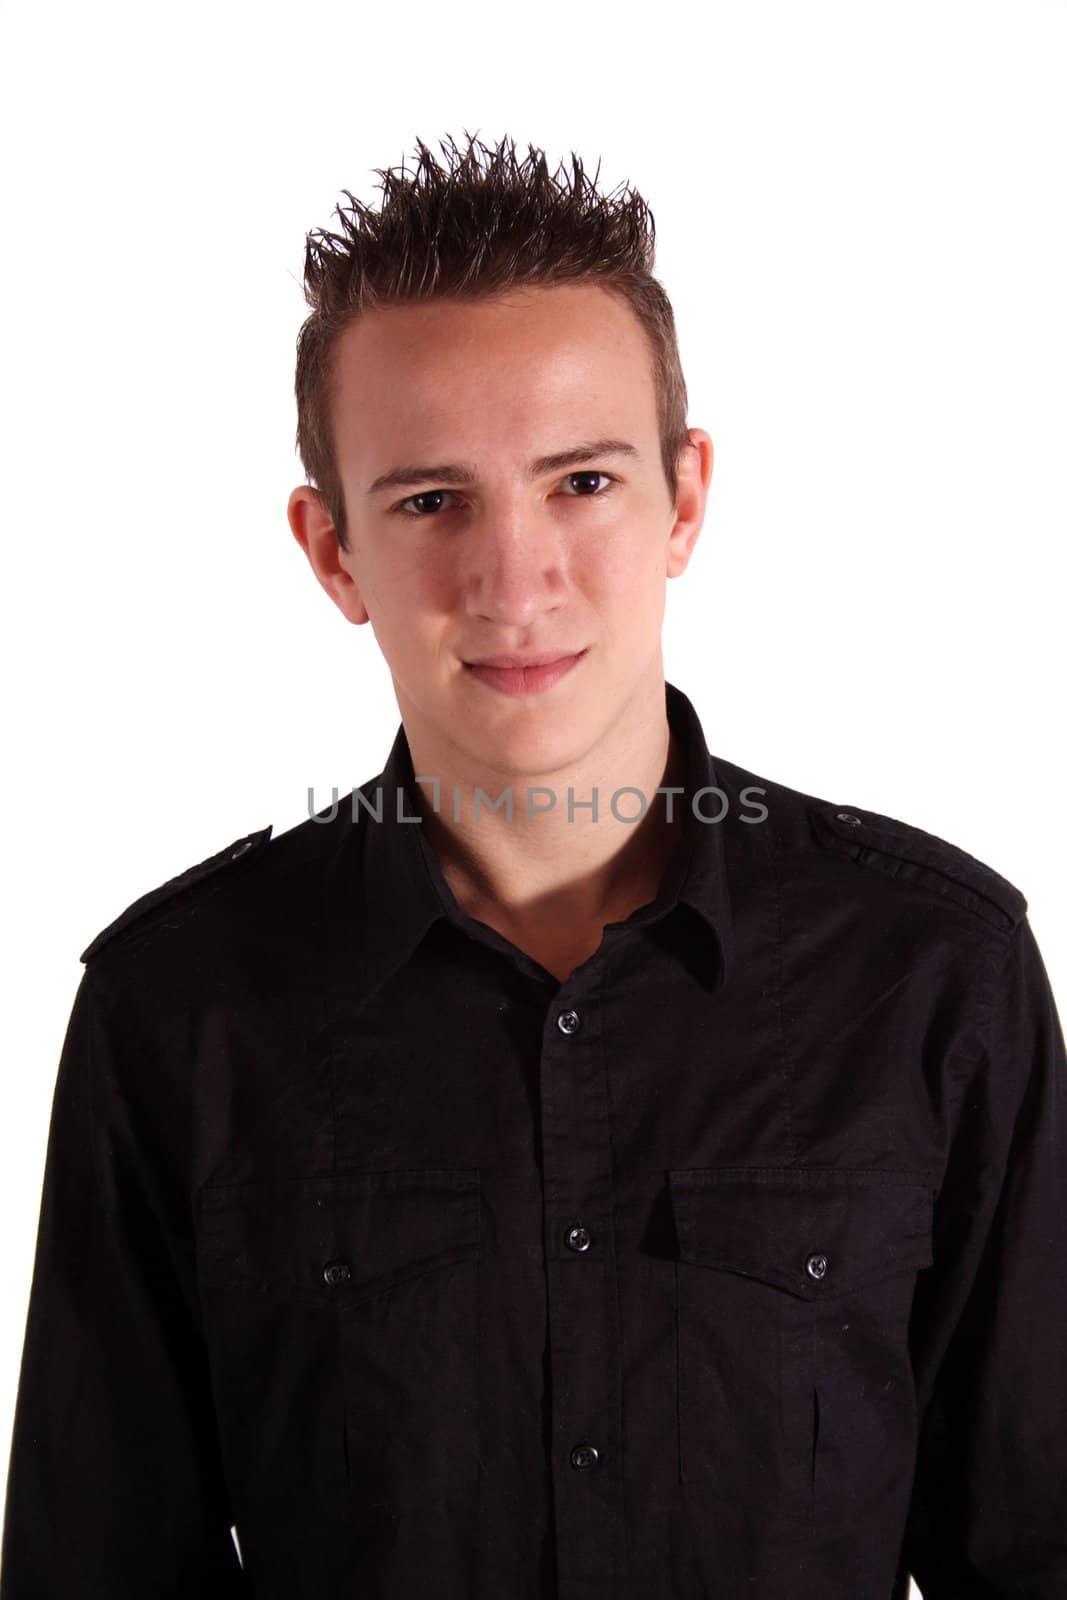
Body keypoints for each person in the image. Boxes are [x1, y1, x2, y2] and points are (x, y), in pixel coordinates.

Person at [1, 130, 1064, 1600]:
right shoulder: (175, 1011)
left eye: (581, 482)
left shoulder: (939, 974)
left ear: (686, 499)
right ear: (333, 552)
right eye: (434, 502)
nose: (517, 581)